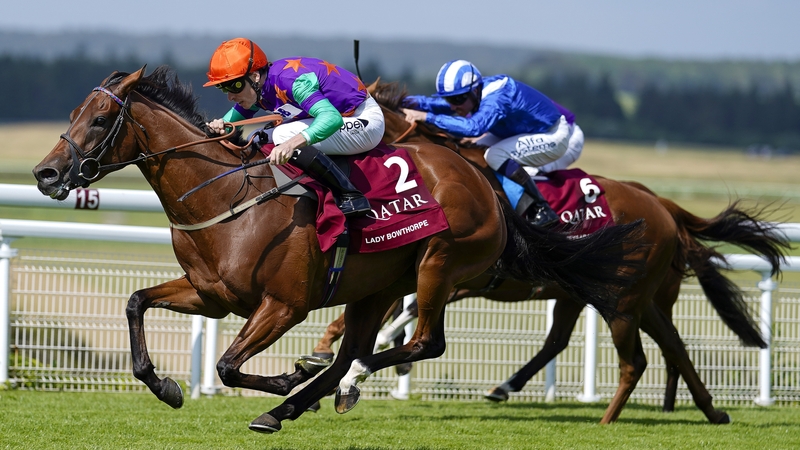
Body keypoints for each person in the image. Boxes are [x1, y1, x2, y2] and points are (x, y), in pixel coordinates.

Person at [204, 38, 386, 218]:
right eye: (223, 88)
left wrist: (290, 144)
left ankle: (350, 195)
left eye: (235, 86)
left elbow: (331, 118)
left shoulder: (292, 82)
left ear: (255, 77)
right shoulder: (258, 89)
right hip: (337, 118)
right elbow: (229, 125)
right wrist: (219, 127)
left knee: (283, 135)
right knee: (256, 136)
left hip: (363, 119)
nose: (230, 96)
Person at [401, 60, 584, 227]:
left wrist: (427, 117)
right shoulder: (473, 94)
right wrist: (400, 102)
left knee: (494, 155)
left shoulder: (497, 95)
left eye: (457, 99)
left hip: (553, 135)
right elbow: (435, 104)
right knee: (473, 150)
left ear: (474, 91)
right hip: (524, 133)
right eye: (450, 99)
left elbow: (474, 128)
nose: (453, 106)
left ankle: (542, 208)